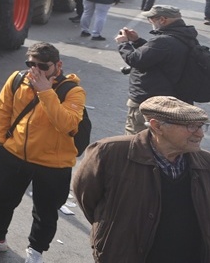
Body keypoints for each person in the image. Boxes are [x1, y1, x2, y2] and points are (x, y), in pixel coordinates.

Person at [0, 42, 85, 263]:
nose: (36, 70)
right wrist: (1, 142)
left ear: (57, 65)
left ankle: (35, 251)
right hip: (14, 155)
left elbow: (68, 124)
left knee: (45, 211)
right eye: (31, 64)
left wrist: (46, 92)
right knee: (3, 198)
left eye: (42, 65)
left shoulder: (73, 91)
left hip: (53, 164)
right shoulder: (17, 79)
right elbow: (3, 109)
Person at [72, 96, 210, 263]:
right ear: (157, 126)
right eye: (191, 126)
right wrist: (108, 231)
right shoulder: (110, 153)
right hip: (126, 256)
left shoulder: (205, 163)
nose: (200, 134)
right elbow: (87, 196)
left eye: (201, 126)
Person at [115, 5, 195, 134]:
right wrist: (137, 41)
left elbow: (135, 59)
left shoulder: (163, 41)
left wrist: (123, 43)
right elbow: (158, 55)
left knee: (136, 139)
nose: (150, 22)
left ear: (162, 19)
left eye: (151, 19)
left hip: (149, 101)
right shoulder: (184, 36)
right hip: (173, 98)